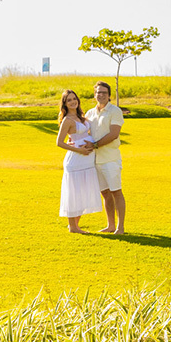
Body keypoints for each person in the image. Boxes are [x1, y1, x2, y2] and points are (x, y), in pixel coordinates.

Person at [56, 89, 101, 233]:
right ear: (65, 104)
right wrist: (79, 150)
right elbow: (59, 142)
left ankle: (75, 225)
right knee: (74, 192)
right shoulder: (67, 120)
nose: (72, 102)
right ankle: (73, 227)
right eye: (69, 100)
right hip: (75, 160)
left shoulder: (82, 117)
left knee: (83, 193)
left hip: (87, 160)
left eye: (74, 99)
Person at [85, 81, 126, 235]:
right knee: (105, 193)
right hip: (95, 160)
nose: (100, 95)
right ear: (94, 94)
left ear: (109, 95)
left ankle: (120, 227)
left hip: (111, 159)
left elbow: (114, 134)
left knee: (116, 192)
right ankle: (110, 226)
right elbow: (83, 132)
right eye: (98, 92)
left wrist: (95, 145)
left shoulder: (115, 111)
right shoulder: (90, 113)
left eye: (104, 92)